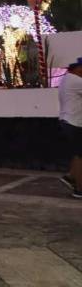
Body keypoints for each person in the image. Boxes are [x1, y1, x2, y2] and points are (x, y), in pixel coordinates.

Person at [60, 57, 82, 199]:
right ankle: (79, 189)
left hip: (70, 121)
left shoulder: (67, 79)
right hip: (74, 123)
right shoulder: (76, 81)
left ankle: (71, 177)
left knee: (78, 153)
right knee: (81, 156)